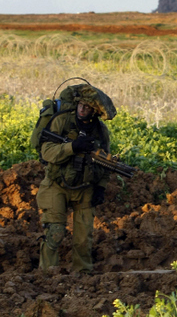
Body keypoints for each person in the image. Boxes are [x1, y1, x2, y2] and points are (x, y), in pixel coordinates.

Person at [36, 84, 116, 274]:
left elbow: (106, 161)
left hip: (84, 187)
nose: (82, 109)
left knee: (83, 238)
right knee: (55, 233)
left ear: (95, 111)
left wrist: (101, 187)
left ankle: (83, 276)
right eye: (80, 104)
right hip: (56, 184)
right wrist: (73, 147)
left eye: (87, 107)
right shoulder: (61, 121)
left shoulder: (100, 131)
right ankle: (48, 274)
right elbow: (46, 152)